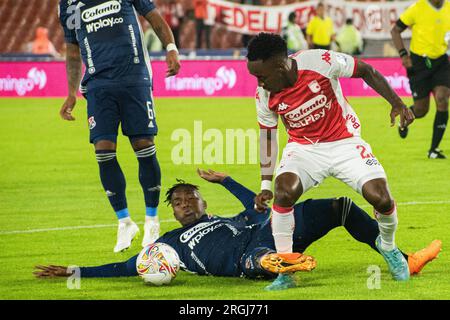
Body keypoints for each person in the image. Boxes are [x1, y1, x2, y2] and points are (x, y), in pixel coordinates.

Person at [34, 169, 441, 290]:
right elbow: (125, 268)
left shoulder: (228, 218)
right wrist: (76, 271)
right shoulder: (168, 245)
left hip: (268, 231)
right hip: (243, 258)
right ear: (173, 214)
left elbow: (261, 204)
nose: (185, 204)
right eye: (178, 202)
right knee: (257, 259)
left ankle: (404, 259)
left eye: (191, 198)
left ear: (203, 202)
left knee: (343, 207)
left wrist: (227, 180)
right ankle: (280, 266)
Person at [246, 32, 415, 289]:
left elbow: (366, 71)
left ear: (280, 66)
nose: (259, 83)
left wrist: (397, 103)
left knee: (380, 197)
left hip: (345, 142)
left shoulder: (320, 61)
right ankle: (287, 270)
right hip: (304, 150)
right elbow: (268, 138)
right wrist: (266, 185)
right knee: (283, 193)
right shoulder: (264, 96)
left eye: (262, 76)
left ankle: (388, 247)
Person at [58, 0, 181, 253]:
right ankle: (125, 222)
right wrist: (71, 92)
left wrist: (171, 48)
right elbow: (72, 49)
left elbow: (154, 18)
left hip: (134, 78)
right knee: (103, 151)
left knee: (143, 145)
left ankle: (151, 219)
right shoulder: (68, 4)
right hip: (97, 84)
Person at [391, 0, 450, 159]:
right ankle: (403, 121)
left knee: (442, 98)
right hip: (419, 64)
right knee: (421, 110)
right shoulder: (417, 8)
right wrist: (404, 54)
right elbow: (395, 31)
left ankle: (434, 150)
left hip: (441, 62)